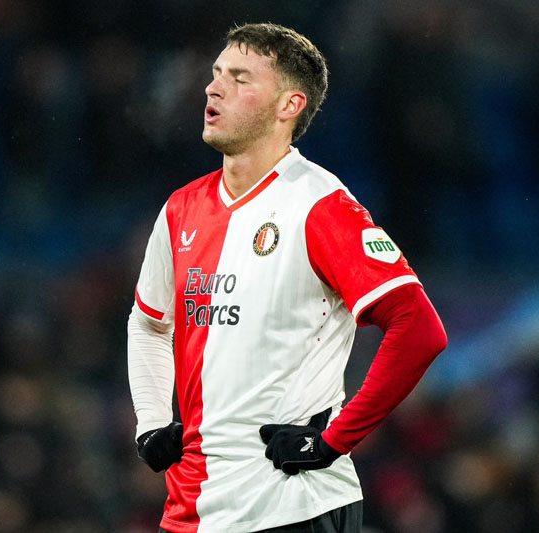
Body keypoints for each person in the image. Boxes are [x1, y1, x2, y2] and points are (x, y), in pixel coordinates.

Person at [127, 23, 448, 533]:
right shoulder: (180, 209)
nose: (213, 88)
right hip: (193, 510)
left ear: (289, 105)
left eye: (239, 78)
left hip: (293, 505)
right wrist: (149, 423)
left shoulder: (319, 204)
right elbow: (148, 323)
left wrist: (335, 440)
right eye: (216, 75)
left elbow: (419, 329)